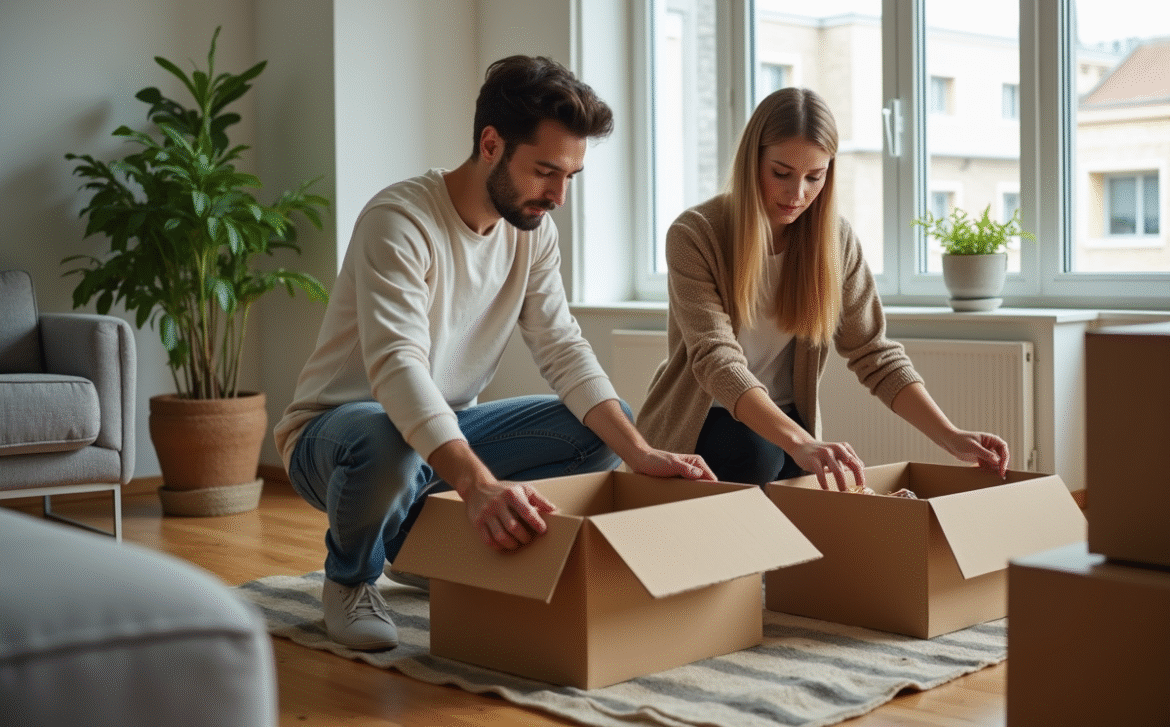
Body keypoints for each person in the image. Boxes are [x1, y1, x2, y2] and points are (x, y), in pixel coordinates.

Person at [274, 55, 714, 651]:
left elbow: (563, 348)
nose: (558, 195)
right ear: (490, 143)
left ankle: (424, 550)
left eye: (571, 177)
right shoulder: (399, 221)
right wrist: (478, 486)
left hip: (438, 440)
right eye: (544, 171)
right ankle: (351, 578)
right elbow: (398, 369)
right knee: (387, 436)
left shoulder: (532, 233)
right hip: (338, 438)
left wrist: (638, 454)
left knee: (601, 431)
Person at [636, 86, 1009, 492]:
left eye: (814, 177)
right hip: (706, 420)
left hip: (786, 427)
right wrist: (801, 442)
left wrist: (951, 436)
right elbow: (716, 359)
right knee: (760, 453)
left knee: (802, 462)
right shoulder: (696, 233)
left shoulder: (835, 241)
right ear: (752, 162)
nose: (797, 195)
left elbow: (874, 353)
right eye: (781, 173)